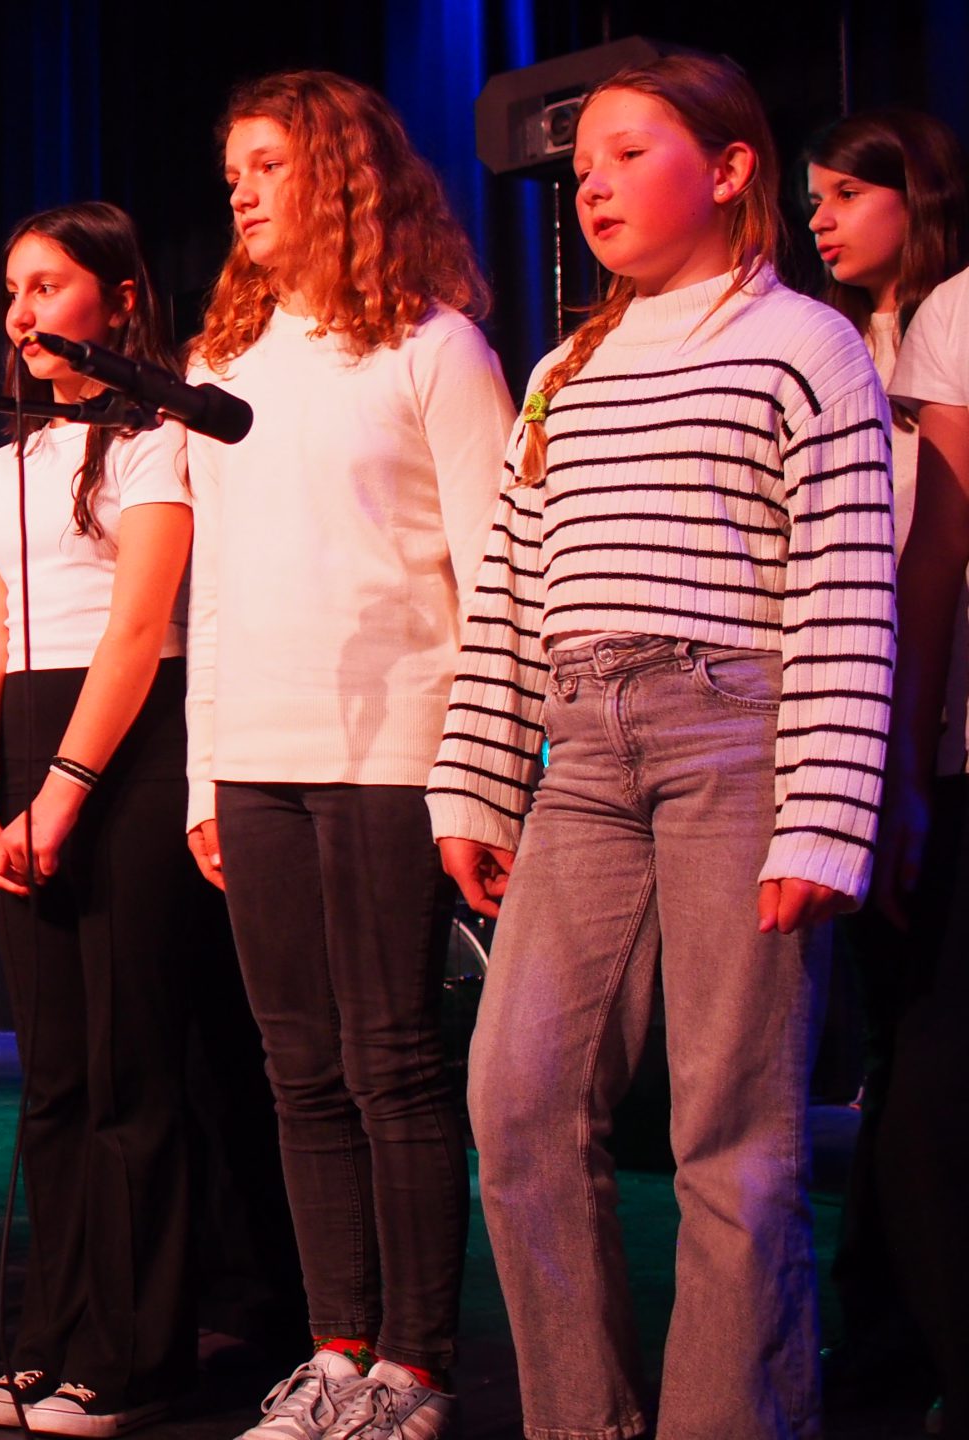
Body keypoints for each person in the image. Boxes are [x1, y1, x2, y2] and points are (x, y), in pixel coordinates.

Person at [430, 52, 898, 1440]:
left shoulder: (803, 345)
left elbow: (842, 587)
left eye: (632, 154)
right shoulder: (563, 369)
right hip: (583, 754)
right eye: (583, 168)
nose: (596, 186)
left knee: (731, 1136)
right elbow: (512, 588)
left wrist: (824, 814)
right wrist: (475, 781)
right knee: (517, 1100)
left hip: (735, 736)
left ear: (730, 167)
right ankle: (583, 1422)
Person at [182, 70, 511, 1440]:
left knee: (391, 1060)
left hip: (396, 748)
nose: (244, 193)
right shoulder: (222, 368)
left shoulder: (436, 350)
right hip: (256, 752)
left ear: (340, 172)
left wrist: (483, 773)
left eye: (268, 165)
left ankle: (416, 1369)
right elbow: (214, 584)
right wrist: (203, 774)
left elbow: (496, 572)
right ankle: (336, 1349)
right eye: (232, 174)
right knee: (298, 1067)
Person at [0, 201, 204, 1436]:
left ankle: (134, 1352)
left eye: (47, 285)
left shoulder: (160, 438)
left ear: (118, 297)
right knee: (50, 1076)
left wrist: (62, 790)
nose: (22, 313)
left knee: (126, 1070)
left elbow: (139, 626)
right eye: (12, 290)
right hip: (24, 749)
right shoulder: (2, 465)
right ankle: (50, 1338)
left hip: (129, 748)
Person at [805, 109, 969, 1421]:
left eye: (847, 194)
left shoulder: (933, 330)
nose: (820, 220)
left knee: (919, 1050)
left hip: (924, 717)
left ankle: (890, 1341)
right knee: (908, 1044)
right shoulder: (837, 350)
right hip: (893, 718)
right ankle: (889, 1339)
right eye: (811, 197)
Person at [875, 141, 969, 1440]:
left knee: (933, 1098)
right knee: (929, 1093)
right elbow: (936, 546)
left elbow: (940, 546)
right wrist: (898, 764)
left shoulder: (949, 310)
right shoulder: (951, 314)